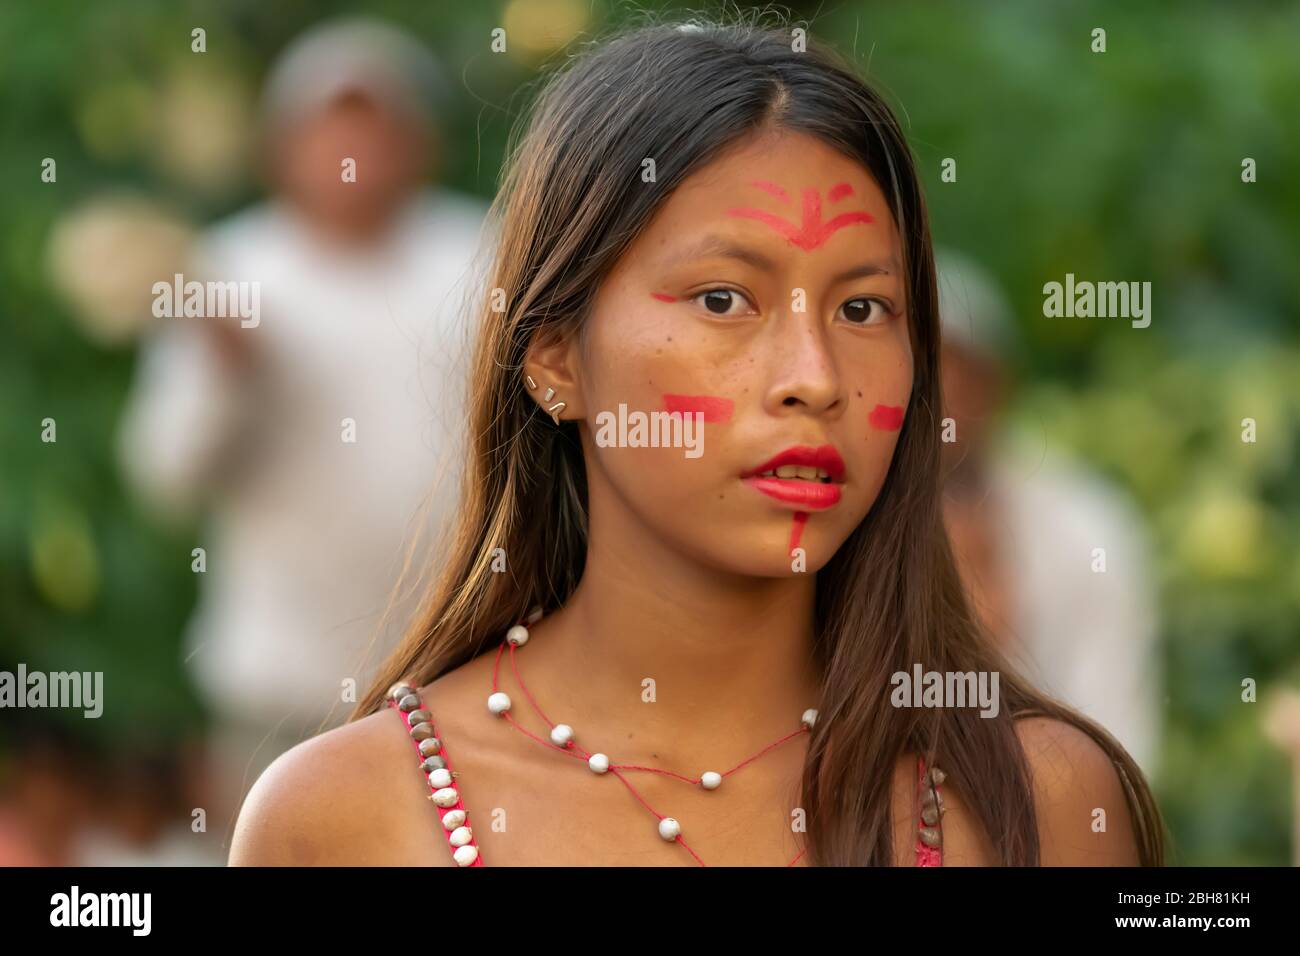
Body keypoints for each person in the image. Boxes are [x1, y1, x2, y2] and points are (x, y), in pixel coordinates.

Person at [230, 17, 1164, 867]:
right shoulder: (346, 817)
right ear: (555, 356)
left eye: (864, 307)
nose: (816, 375)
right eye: (724, 299)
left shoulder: (1036, 803)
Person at [117, 18, 490, 837]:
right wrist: (226, 369)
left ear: (418, 142)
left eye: (375, 128)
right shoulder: (230, 270)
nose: (350, 153)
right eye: (329, 130)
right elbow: (166, 476)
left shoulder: (482, 256)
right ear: (282, 148)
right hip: (279, 686)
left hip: (454, 668)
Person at [936, 248, 1162, 774]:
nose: (930, 394)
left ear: (994, 383)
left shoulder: (1086, 527)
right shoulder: (834, 524)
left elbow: (1119, 738)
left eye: (949, 368)